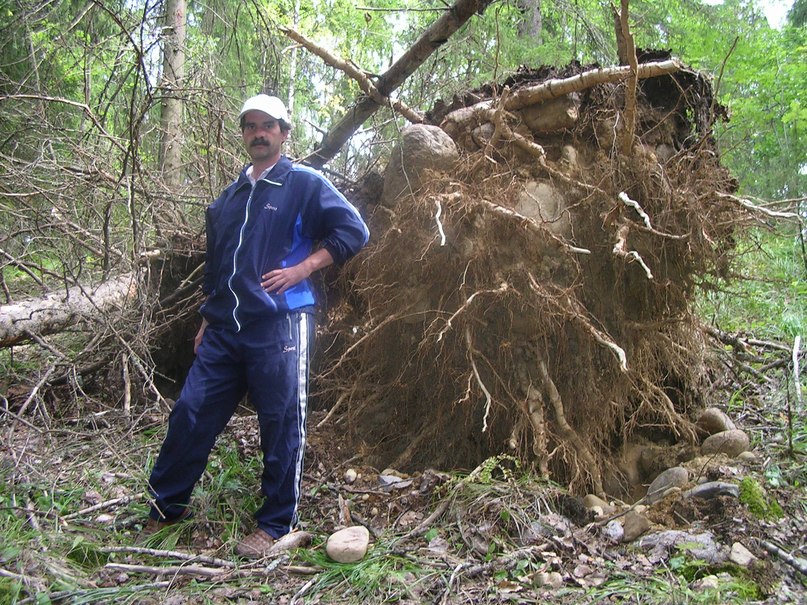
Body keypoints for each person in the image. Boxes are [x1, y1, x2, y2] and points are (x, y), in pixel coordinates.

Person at [142, 94, 369, 558]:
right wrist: (209, 316)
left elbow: (354, 231)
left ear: (284, 133)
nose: (259, 133)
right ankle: (165, 507)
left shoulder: (304, 183)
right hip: (226, 327)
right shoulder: (229, 199)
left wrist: (304, 268)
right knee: (191, 410)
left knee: (281, 420)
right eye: (250, 126)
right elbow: (217, 266)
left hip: (282, 324)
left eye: (268, 126)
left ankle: (274, 523)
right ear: (244, 134)